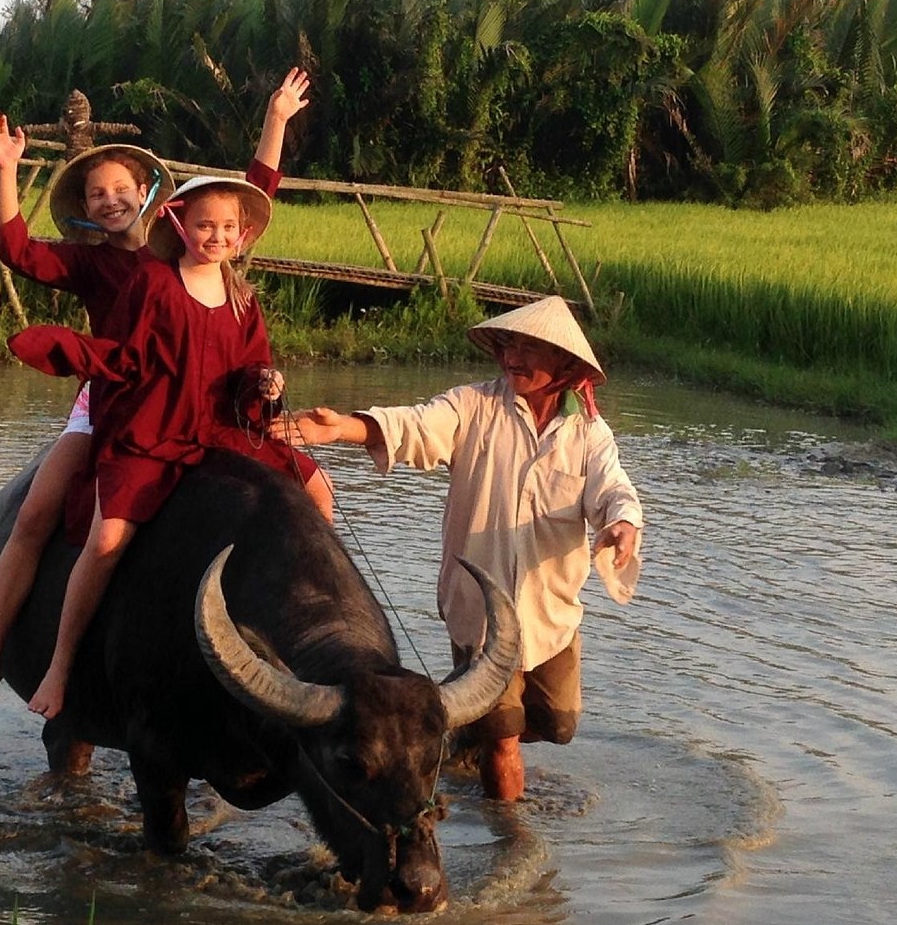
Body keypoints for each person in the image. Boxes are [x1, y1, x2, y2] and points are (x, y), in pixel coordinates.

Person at [0, 68, 311, 701]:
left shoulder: (189, 250)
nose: (110, 200)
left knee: (300, 491)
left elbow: (248, 199)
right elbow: (19, 251)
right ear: (85, 209)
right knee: (34, 514)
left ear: (148, 195)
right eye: (96, 194)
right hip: (115, 400)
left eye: (122, 188)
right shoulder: (91, 262)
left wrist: (276, 120)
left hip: (198, 402)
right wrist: (7, 169)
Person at [273, 295, 643, 802]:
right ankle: (509, 840)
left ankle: (461, 727)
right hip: (481, 611)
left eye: (531, 348)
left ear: (564, 364)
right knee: (505, 745)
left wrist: (622, 525)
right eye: (511, 344)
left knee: (557, 725)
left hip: (550, 613)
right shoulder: (475, 407)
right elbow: (414, 425)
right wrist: (342, 427)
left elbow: (612, 490)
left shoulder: (588, 434)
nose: (515, 356)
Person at [8, 171, 331, 720]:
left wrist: (266, 384)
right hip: (156, 430)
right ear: (179, 224)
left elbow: (251, 368)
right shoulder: (154, 283)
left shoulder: (242, 297)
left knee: (317, 487)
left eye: (228, 227)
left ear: (243, 234)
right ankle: (60, 665)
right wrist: (71, 349)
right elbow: (128, 357)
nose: (217, 236)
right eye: (206, 225)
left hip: (221, 430)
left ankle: (314, 621)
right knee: (107, 539)